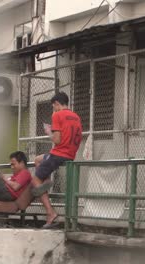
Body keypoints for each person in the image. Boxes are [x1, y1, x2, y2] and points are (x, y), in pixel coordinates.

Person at [31, 91, 82, 228]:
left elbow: (57, 140)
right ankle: (46, 181)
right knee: (38, 159)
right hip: (70, 154)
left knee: (35, 180)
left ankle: (50, 213)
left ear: (57, 104)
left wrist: (49, 132)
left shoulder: (57, 115)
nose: (54, 109)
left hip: (58, 153)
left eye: (54, 106)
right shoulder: (76, 117)